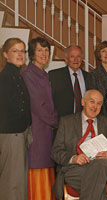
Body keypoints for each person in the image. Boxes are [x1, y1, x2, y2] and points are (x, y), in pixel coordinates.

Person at [51, 89, 107, 200]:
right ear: (83, 102)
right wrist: (74, 158)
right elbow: (56, 152)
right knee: (97, 180)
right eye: (92, 101)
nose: (95, 106)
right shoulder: (67, 122)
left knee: (101, 165)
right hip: (75, 169)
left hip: (102, 166)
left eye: (99, 103)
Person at [21, 37, 58, 200]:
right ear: (32, 54)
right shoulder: (28, 75)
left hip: (46, 131)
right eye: (40, 50)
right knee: (37, 169)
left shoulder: (44, 74)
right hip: (37, 131)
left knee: (46, 167)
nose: (44, 54)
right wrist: (58, 122)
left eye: (46, 50)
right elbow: (38, 105)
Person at [0, 37, 31, 200]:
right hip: (10, 134)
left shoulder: (17, 76)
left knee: (18, 181)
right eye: (15, 51)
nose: (20, 54)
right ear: (5, 54)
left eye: (22, 51)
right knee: (12, 182)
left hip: (19, 134)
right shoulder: (4, 78)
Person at [49, 45, 88, 118]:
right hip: (62, 123)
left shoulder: (88, 76)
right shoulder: (55, 76)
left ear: (82, 59)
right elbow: (50, 101)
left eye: (78, 56)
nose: (76, 60)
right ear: (66, 59)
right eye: (72, 56)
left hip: (84, 122)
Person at [86, 41, 107, 117]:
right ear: (99, 55)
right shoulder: (93, 75)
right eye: (103, 51)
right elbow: (92, 100)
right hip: (101, 117)